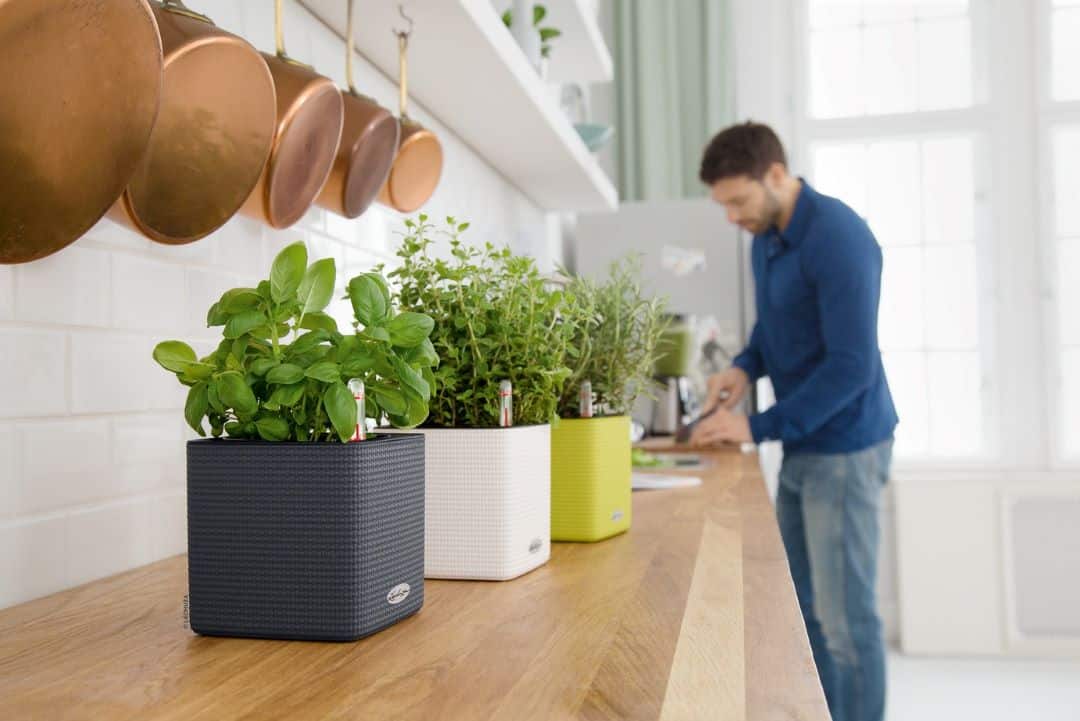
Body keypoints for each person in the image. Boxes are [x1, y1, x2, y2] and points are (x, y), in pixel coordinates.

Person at [691, 121, 898, 721]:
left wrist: (756, 428)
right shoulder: (766, 235)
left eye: (738, 201)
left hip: (847, 450)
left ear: (776, 176)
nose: (732, 216)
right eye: (723, 204)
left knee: (846, 622)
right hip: (805, 445)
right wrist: (743, 367)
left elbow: (852, 367)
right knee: (805, 612)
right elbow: (773, 327)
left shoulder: (841, 238)